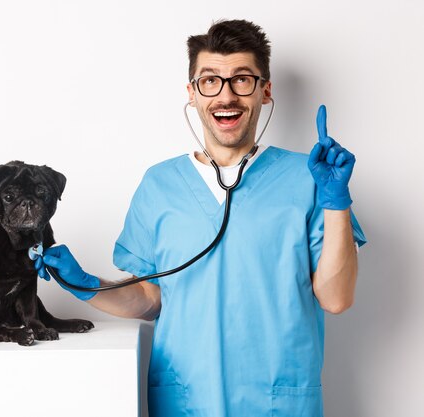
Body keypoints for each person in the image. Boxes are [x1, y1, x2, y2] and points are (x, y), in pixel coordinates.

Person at [36, 19, 366, 417]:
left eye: (242, 79)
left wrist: (336, 200)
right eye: (210, 81)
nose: (226, 96)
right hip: (187, 402)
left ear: (265, 90)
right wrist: (85, 285)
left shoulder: (309, 179)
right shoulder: (159, 185)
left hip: (280, 403)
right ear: (192, 93)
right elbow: (149, 299)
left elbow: (336, 299)